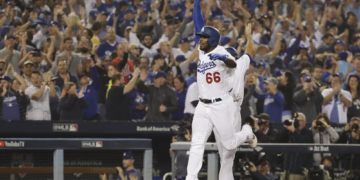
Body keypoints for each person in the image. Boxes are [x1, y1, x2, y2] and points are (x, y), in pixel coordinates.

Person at [186, 2, 256, 178]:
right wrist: (196, 3)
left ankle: (247, 132)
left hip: (224, 107)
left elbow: (233, 62)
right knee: (197, 143)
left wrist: (224, 59)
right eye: (201, 38)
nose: (200, 40)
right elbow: (198, 22)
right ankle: (190, 177)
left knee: (230, 146)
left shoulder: (228, 57)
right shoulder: (204, 51)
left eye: (204, 38)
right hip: (204, 105)